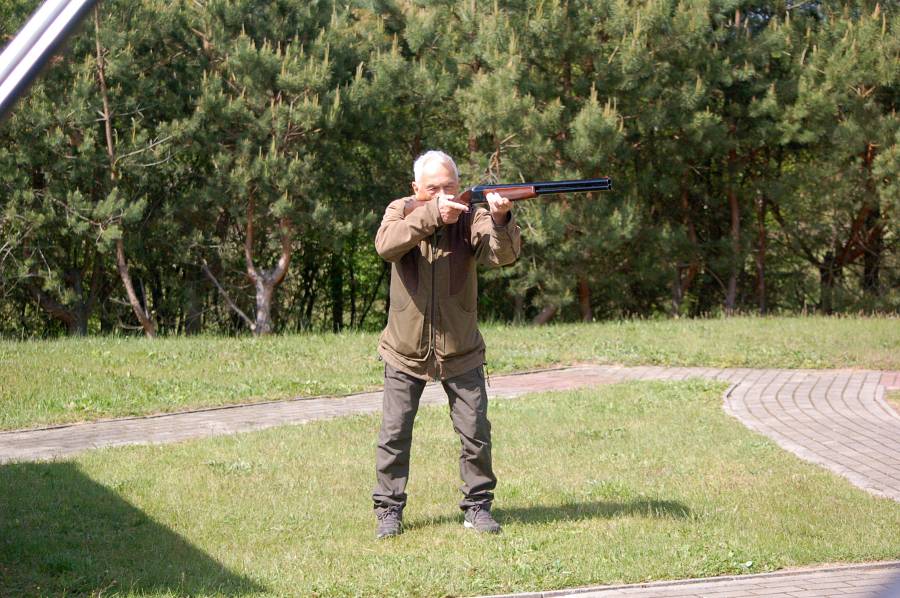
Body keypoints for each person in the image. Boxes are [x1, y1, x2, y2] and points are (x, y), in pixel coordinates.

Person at [372, 150, 521, 538]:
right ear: (415, 188)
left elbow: (501, 255)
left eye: (450, 187)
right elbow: (386, 245)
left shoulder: (472, 215)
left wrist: (501, 219)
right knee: (394, 435)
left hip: (461, 349)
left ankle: (478, 507)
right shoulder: (401, 210)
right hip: (404, 350)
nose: (444, 195)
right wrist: (433, 215)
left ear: (460, 186)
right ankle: (388, 511)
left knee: (476, 434)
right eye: (433, 188)